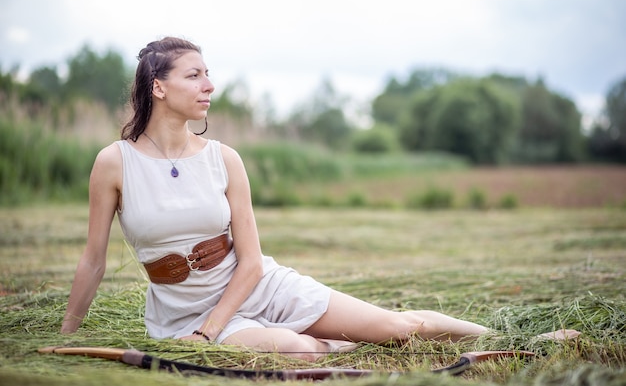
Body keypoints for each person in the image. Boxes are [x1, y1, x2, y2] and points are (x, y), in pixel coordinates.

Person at [61, 37, 579, 361]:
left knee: (399, 329)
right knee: (299, 351)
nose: (209, 85)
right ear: (157, 86)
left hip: (253, 290)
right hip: (179, 315)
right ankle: (336, 340)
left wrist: (211, 332)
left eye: (208, 74)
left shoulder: (225, 158)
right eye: (195, 75)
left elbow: (253, 261)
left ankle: (528, 338)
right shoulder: (114, 162)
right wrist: (67, 336)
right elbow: (93, 260)